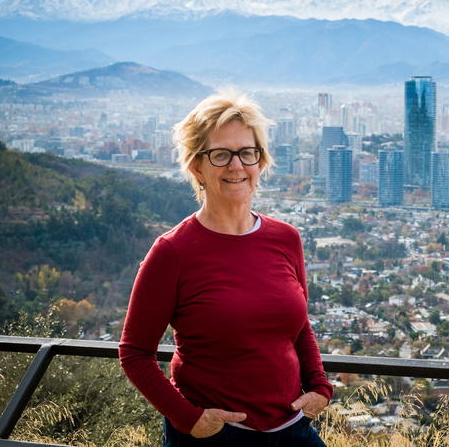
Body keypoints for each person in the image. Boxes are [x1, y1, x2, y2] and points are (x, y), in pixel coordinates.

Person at [119, 92, 332, 446]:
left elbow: (297, 326)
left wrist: (321, 387)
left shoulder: (286, 238)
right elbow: (134, 352)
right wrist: (189, 419)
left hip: (291, 429)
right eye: (220, 154)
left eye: (247, 153)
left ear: (260, 161)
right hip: (214, 436)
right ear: (196, 167)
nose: (237, 166)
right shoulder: (172, 252)